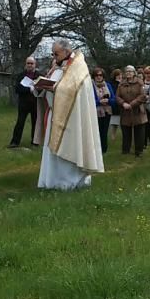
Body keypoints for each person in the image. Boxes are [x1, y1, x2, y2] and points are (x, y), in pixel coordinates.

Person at [32, 40, 104, 190]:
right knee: (52, 151)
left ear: (66, 51)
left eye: (56, 53)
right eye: (52, 53)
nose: (54, 56)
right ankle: (52, 181)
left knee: (70, 148)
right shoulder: (57, 67)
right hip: (55, 114)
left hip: (72, 117)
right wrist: (39, 87)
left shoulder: (78, 66)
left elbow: (74, 90)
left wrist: (56, 88)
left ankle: (69, 182)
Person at [9, 57, 41, 148]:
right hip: (23, 103)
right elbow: (17, 89)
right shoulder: (21, 76)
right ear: (25, 64)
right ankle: (15, 142)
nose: (30, 65)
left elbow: (42, 88)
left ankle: (35, 142)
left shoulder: (39, 76)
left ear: (35, 65)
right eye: (28, 63)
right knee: (20, 122)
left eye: (32, 63)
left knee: (35, 123)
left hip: (35, 103)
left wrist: (37, 88)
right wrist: (29, 89)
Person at [116, 65, 147, 157]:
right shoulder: (121, 84)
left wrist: (132, 104)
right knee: (126, 131)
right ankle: (125, 150)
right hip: (125, 111)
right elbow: (117, 96)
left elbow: (142, 96)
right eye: (126, 71)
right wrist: (123, 103)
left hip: (137, 110)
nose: (128, 73)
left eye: (130, 71)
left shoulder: (140, 82)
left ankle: (139, 151)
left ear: (134, 73)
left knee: (139, 132)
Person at [92, 67, 115, 154]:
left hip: (107, 111)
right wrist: (99, 102)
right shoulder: (91, 86)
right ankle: (96, 150)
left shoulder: (108, 85)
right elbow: (90, 100)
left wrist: (108, 101)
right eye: (96, 75)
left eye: (100, 75)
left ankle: (104, 149)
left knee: (104, 131)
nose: (98, 77)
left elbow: (113, 99)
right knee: (96, 131)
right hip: (96, 112)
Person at [109, 68, 123, 139]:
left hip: (122, 105)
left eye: (120, 74)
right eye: (118, 75)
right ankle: (113, 136)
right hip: (115, 105)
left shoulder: (123, 82)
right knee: (114, 123)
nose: (119, 76)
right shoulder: (112, 84)